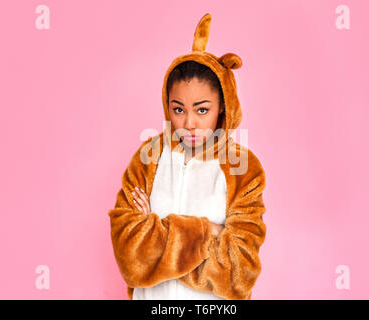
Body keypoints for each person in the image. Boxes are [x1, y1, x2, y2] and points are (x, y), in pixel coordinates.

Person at [108, 13, 267, 300]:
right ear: (166, 106)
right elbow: (129, 257)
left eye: (202, 109)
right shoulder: (149, 157)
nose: (189, 123)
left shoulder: (242, 168)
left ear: (222, 107)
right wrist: (210, 232)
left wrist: (155, 233)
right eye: (178, 109)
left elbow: (239, 271)